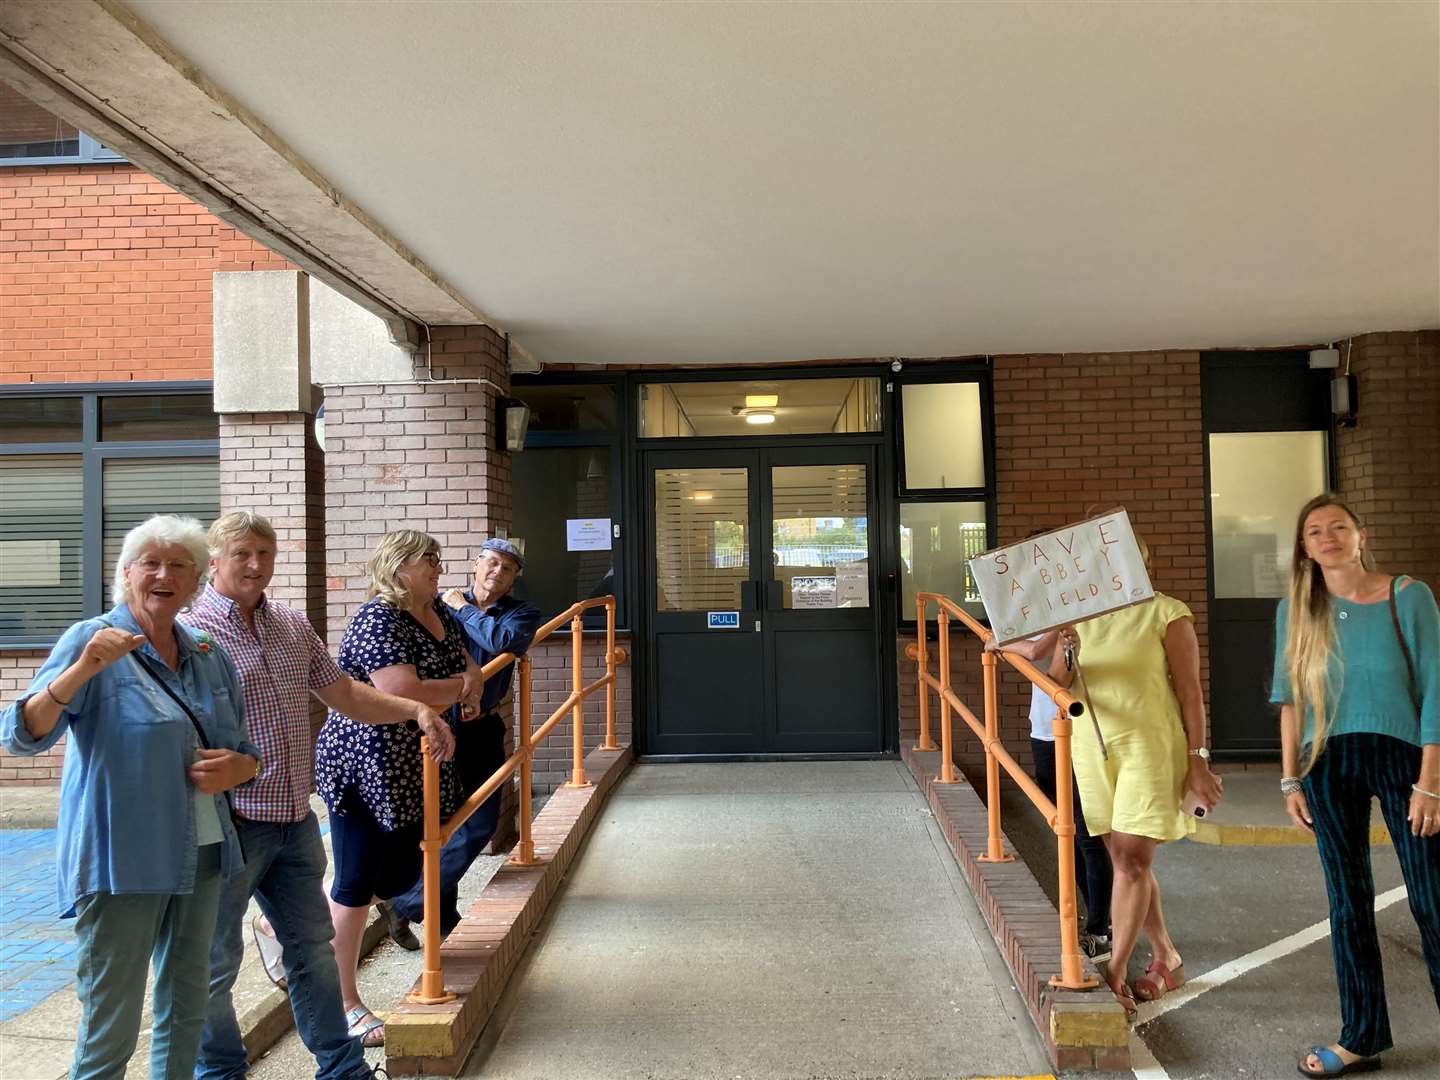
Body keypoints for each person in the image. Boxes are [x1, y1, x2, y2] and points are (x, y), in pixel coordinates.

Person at [190, 512, 455, 1080]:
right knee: (211, 967)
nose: (256, 564)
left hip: (292, 818)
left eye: (265, 552)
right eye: (242, 553)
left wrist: (416, 709)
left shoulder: (289, 624)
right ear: (213, 560)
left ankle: (344, 1071)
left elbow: (346, 695)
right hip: (226, 823)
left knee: (312, 953)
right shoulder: (189, 633)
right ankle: (221, 1073)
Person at [0, 515, 258, 1080]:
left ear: (195, 582)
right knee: (109, 1030)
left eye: (178, 565)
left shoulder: (208, 652)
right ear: (126, 574)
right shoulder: (91, 639)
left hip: (205, 853)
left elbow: (242, 749)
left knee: (187, 1010)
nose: (164, 574)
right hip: (123, 861)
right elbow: (20, 734)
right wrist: (84, 668)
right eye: (151, 563)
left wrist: (241, 767)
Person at [1272, 495, 1439, 1078]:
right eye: (1314, 530)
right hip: (1327, 762)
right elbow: (1289, 700)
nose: (1327, 537)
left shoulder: (1408, 596)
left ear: (1361, 535)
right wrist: (1291, 777)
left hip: (1403, 758)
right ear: (1304, 546)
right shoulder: (1295, 610)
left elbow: (1437, 687)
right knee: (1348, 906)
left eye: (1338, 527)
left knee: (1432, 899)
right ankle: (1361, 1035)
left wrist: (1431, 782)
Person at [312, 530, 482, 1047]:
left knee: (400, 873)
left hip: (416, 763)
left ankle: (289, 922)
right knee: (358, 881)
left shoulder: (440, 611)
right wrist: (461, 688)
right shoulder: (378, 617)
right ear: (397, 565)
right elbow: (398, 690)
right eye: (426, 559)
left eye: (437, 557)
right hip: (367, 763)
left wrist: (468, 680)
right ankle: (342, 1003)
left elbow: (466, 661)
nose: (437, 566)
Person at [1048, 534, 1224, 1017]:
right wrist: (1066, 647)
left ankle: (1116, 972)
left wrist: (1198, 760)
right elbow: (1056, 685)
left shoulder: (1167, 612)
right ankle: (1166, 954)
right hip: (1092, 747)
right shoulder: (1079, 619)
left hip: (1149, 745)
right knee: (1124, 858)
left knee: (1130, 859)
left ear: (1140, 563)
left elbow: (1190, 693)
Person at [386, 538, 541, 943]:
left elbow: (503, 642)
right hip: (438, 724)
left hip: (483, 726)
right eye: (491, 563)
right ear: (475, 565)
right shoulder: (437, 605)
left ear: (513, 579)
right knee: (443, 822)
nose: (497, 573)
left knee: (480, 822)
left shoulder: (519, 612)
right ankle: (441, 918)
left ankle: (405, 903)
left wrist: (464, 610)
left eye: (507, 569)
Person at [990, 630, 1113, 959]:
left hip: (1073, 735)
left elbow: (1036, 652)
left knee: (1086, 834)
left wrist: (999, 642)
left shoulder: (1068, 612)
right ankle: (1100, 918)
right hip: (1045, 731)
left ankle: (1100, 929)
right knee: (1067, 833)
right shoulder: (1044, 613)